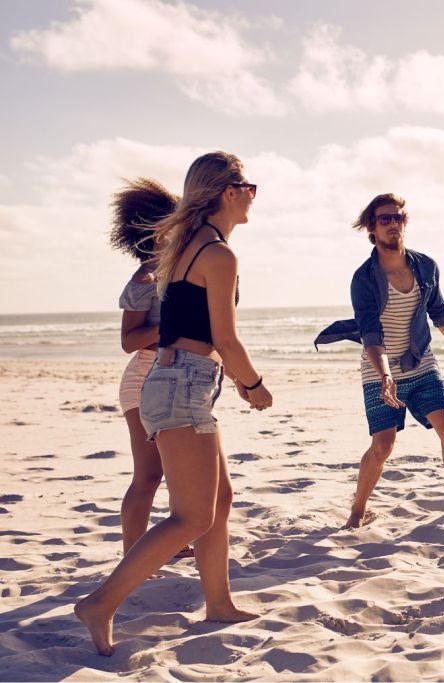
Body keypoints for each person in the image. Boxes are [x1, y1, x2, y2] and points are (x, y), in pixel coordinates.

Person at [76, 151, 272, 656]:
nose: (255, 194)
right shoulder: (217, 255)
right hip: (183, 385)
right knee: (190, 516)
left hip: (180, 383)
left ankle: (219, 602)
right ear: (229, 192)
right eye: (250, 185)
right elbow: (225, 340)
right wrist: (254, 386)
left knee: (218, 501)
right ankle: (101, 603)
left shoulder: (187, 248)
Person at [315, 193, 444, 529]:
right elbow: (371, 333)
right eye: (385, 219)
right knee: (382, 446)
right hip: (379, 370)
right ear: (372, 229)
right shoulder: (363, 279)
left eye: (399, 217)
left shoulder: (426, 266)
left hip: (420, 362)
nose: (393, 224)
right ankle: (357, 511)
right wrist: (385, 376)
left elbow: (440, 311)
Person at [109, 178, 193, 558]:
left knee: (180, 470)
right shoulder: (145, 278)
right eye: (178, 221)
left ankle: (172, 542)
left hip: (174, 378)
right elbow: (129, 340)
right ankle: (132, 554)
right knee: (148, 475)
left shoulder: (182, 269)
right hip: (143, 378)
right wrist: (178, 326)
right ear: (160, 231)